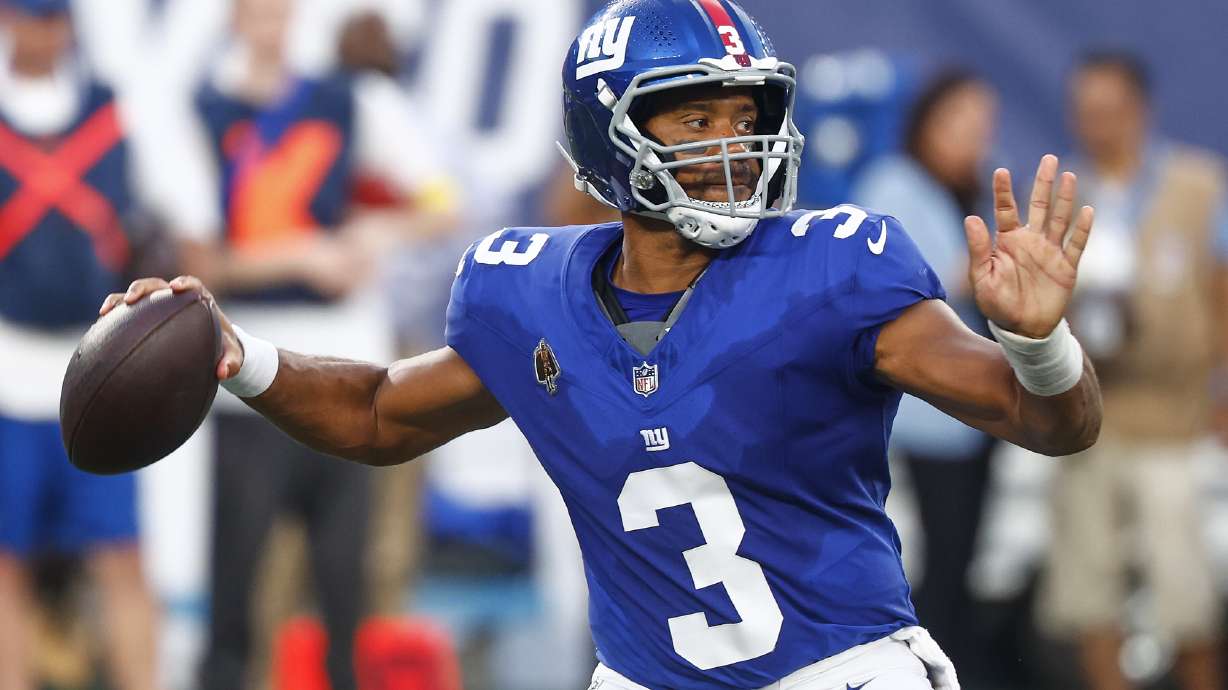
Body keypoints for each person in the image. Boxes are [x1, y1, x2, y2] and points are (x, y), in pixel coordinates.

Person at [108, 1, 1103, 688]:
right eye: (696, 117)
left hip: (841, 670)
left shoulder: (829, 273)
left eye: (745, 117)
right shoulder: (531, 296)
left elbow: (1046, 422)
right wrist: (242, 358)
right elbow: (376, 413)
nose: (732, 146)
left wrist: (1038, 342)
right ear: (610, 137)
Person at [160, 0, 455, 688]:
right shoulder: (203, 110)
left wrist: (373, 233)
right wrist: (305, 255)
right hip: (246, 373)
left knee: (349, 584)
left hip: (349, 365)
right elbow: (201, 264)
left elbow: (443, 201)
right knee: (238, 587)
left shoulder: (349, 100)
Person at [1037, 51, 1226, 690]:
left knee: (1187, 598)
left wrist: (1221, 391)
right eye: (1086, 110)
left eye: (1111, 109)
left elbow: (1223, 293)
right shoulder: (1068, 193)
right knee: (1090, 592)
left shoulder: (1198, 186)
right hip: (1089, 419)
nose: (1098, 123)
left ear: (1140, 109)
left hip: (1173, 421)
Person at [0, 1, 162, 689]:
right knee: (7, 564)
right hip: (6, 369)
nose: (41, 32)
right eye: (27, 16)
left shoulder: (115, 114)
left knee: (121, 557)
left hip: (95, 375)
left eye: (52, 18)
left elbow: (179, 223)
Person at [850, 70, 999, 670]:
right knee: (922, 564)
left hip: (967, 414)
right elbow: (903, 282)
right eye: (961, 125)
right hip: (918, 413)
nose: (974, 141)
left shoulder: (954, 191)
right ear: (927, 123)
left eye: (983, 129)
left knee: (960, 559)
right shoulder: (894, 184)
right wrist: (995, 266)